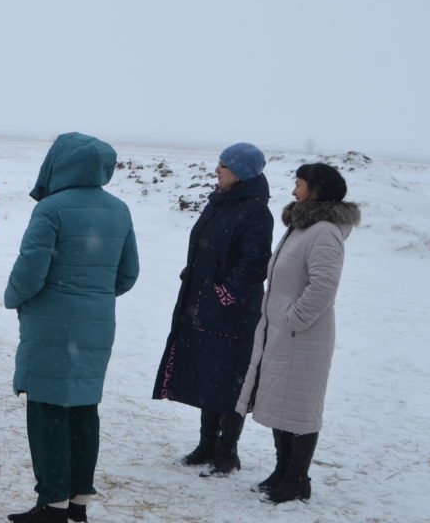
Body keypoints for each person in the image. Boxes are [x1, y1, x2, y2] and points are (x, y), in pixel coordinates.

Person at [4, 133, 139, 523]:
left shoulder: (51, 209)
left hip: (52, 323)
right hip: (97, 324)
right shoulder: (119, 210)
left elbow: (30, 272)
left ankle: (52, 504)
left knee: (47, 411)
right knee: (83, 409)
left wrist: (14, 299)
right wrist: (93, 298)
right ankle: (78, 499)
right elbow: (127, 274)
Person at [236, 163, 360, 504]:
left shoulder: (324, 232)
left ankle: (297, 479)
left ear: (317, 190)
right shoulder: (302, 227)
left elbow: (324, 286)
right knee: (281, 401)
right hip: (283, 332)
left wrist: (294, 318)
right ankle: (282, 471)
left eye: (300, 184)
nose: (294, 191)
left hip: (303, 334)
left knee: (301, 408)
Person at [152, 142, 273, 477]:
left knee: (230, 379)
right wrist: (196, 273)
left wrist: (226, 292)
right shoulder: (220, 202)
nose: (216, 169)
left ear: (241, 172)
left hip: (234, 310)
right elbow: (209, 249)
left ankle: (227, 452)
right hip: (203, 301)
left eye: (223, 165)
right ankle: (206, 445)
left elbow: (254, 261)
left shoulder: (255, 211)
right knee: (209, 372)